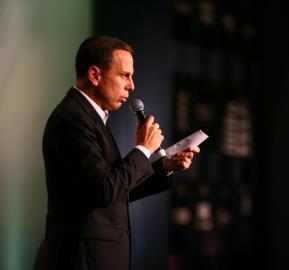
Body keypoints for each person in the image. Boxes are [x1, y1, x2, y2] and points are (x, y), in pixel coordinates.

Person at [34, 36, 200, 270]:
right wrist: (143, 149)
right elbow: (104, 190)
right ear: (95, 75)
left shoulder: (90, 118)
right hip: (81, 260)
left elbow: (118, 189)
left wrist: (165, 167)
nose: (132, 86)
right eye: (125, 75)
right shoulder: (72, 119)